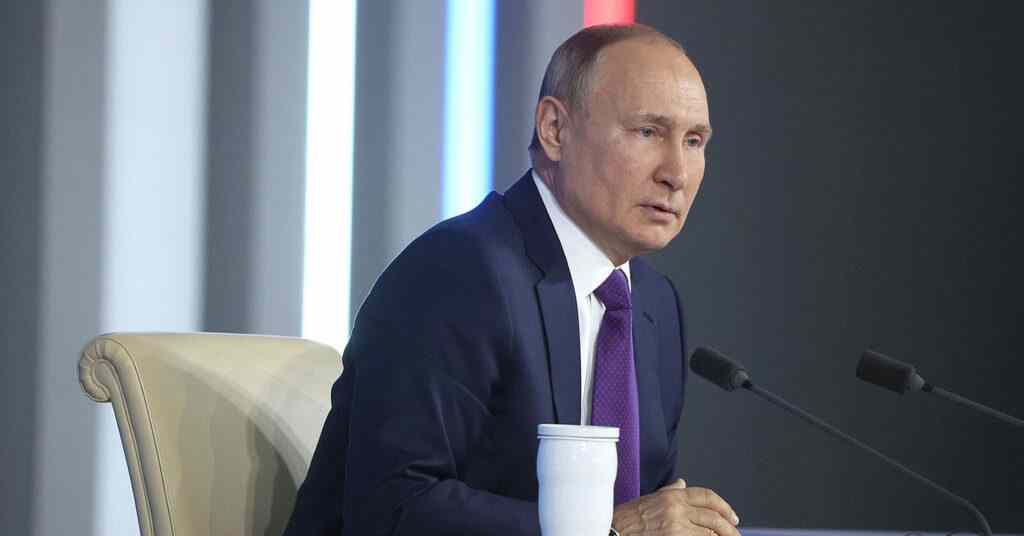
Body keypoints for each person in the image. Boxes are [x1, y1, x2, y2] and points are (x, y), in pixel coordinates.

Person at [284, 24, 739, 536]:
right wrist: (607, 531)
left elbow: (649, 511)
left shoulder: (655, 304)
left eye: (694, 141)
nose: (677, 173)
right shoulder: (458, 273)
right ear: (555, 129)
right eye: (648, 132)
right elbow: (393, 507)